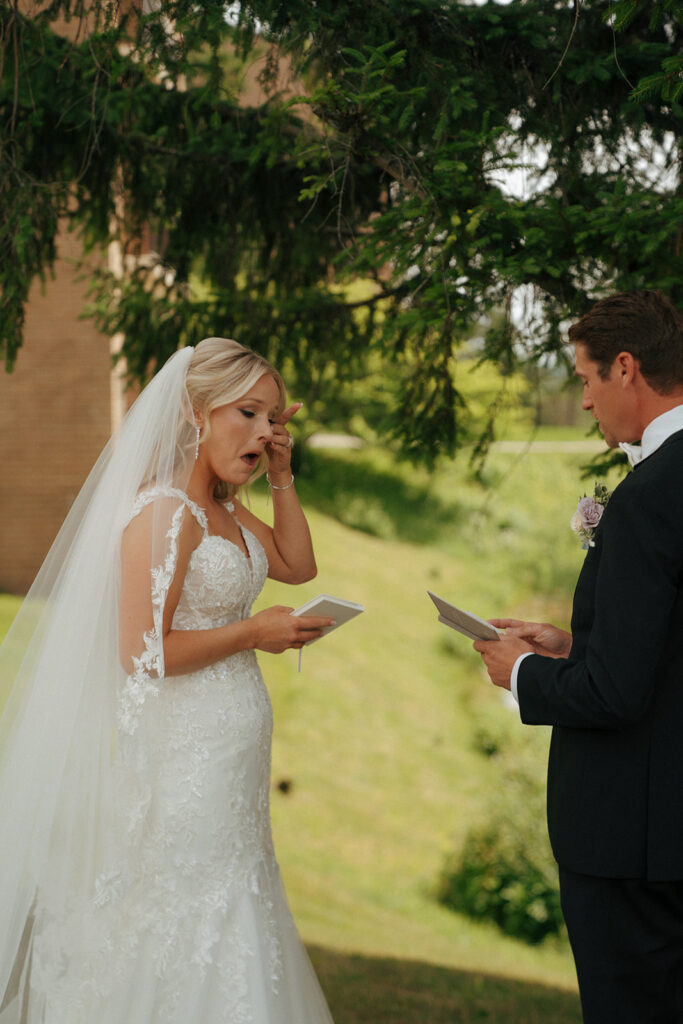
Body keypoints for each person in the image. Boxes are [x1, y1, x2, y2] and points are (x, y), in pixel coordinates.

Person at [0, 337, 337, 1023]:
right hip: (183, 757)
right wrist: (252, 631)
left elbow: (298, 567)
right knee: (185, 913)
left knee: (231, 898)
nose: (266, 430)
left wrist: (280, 473)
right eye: (249, 413)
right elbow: (140, 654)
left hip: (228, 763)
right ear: (194, 413)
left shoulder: (226, 510)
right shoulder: (163, 514)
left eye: (273, 418)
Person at [473, 290, 683, 1024]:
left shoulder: (651, 493)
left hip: (633, 842)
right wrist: (571, 643)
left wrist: (522, 673)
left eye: (588, 379)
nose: (586, 401)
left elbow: (617, 696)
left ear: (626, 368)